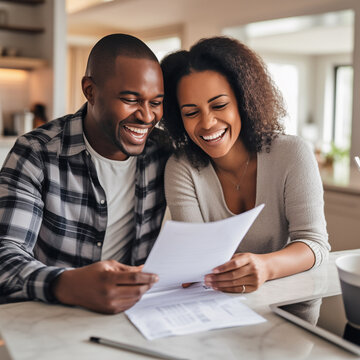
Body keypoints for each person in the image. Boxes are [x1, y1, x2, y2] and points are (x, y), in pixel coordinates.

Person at [0, 34, 170, 314]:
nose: (147, 116)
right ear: (90, 91)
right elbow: (5, 255)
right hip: (49, 313)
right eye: (130, 99)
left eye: (155, 102)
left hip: (130, 315)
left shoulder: (163, 153)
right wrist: (66, 284)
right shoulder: (36, 153)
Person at [161, 36, 330, 294]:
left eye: (219, 105)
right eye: (191, 112)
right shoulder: (182, 168)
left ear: (244, 100)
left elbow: (314, 244)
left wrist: (265, 267)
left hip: (287, 310)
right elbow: (196, 259)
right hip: (213, 311)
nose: (207, 123)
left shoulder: (291, 153)